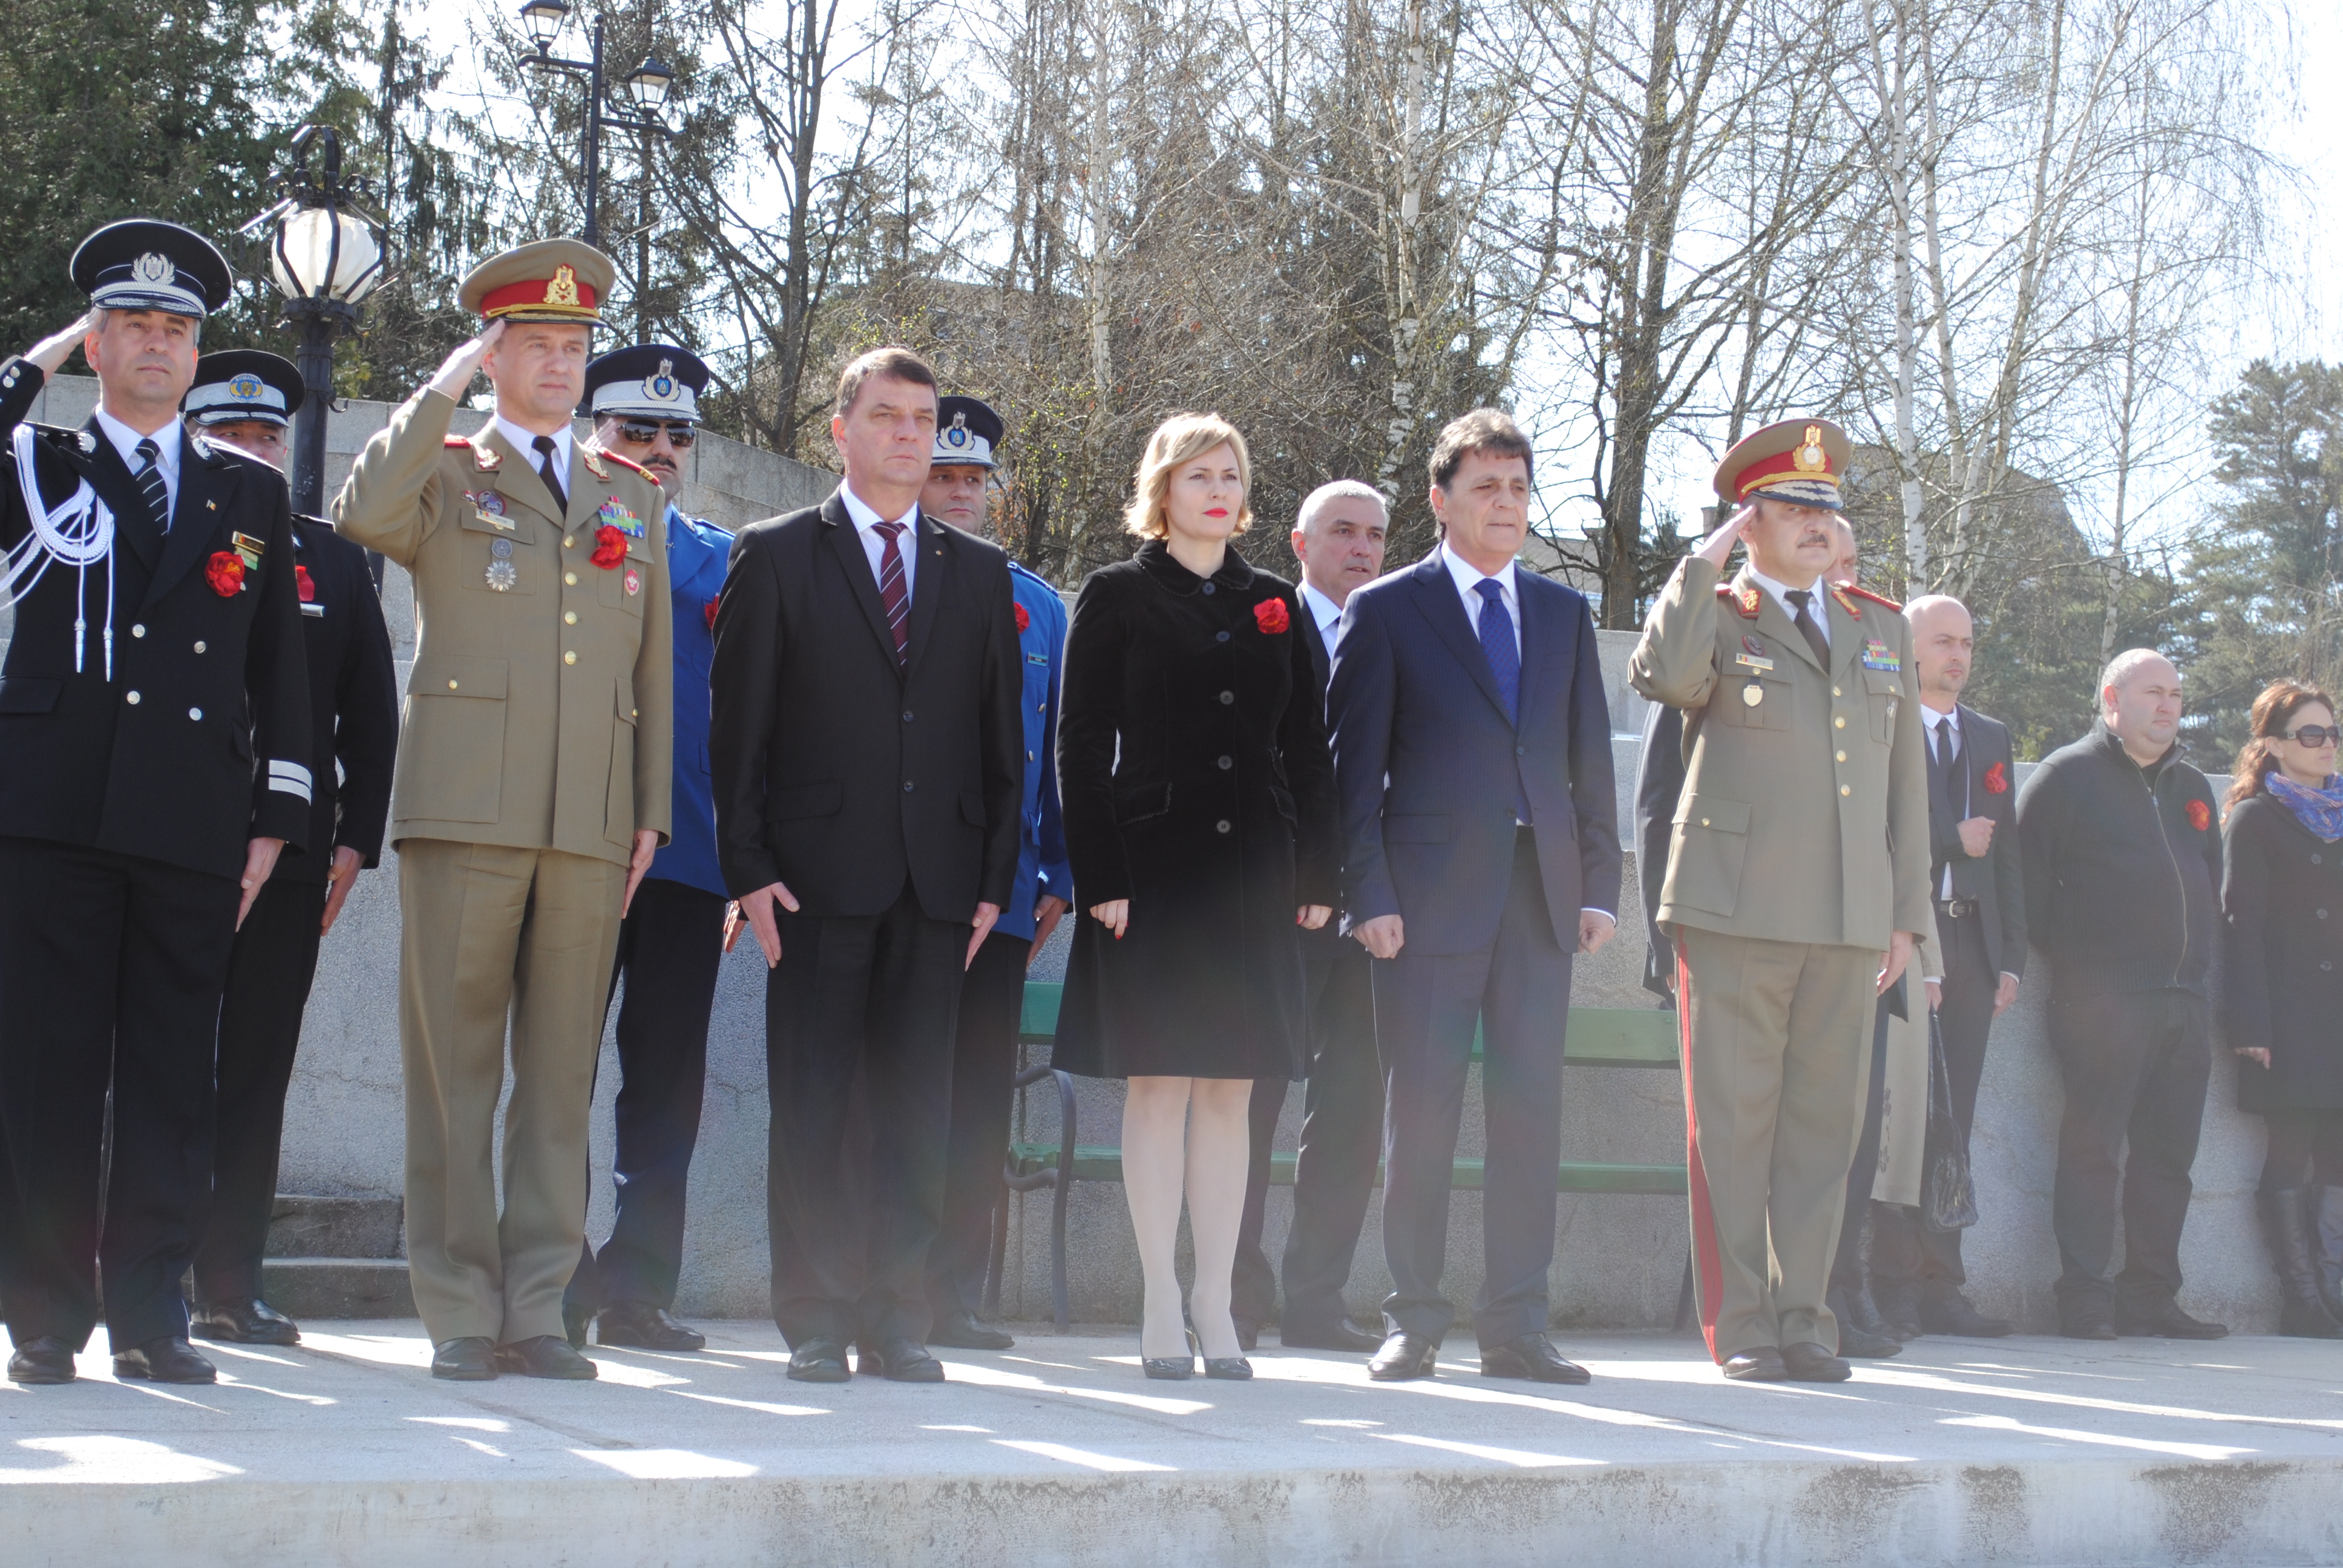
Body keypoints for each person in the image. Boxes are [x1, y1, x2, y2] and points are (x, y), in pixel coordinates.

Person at [335, 240, 675, 1382]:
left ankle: (538, 1305)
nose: (559, 364)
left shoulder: (629, 492)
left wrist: (648, 813)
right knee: (454, 1075)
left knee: (560, 1079)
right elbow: (362, 514)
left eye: (574, 347)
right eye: (535, 344)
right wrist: (436, 393)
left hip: (587, 820)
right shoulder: (446, 465)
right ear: (492, 354)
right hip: (466, 812)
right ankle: (458, 1310)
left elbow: (653, 670)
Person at [0, 221, 312, 1387]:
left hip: (189, 821)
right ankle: (43, 1313)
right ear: (97, 339)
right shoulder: (38, 463)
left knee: (176, 1076)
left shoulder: (248, 490)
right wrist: (30, 365)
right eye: (132, 324)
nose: (157, 345)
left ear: (196, 353)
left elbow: (278, 664)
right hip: (52, 811)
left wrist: (276, 814)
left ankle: (152, 1313)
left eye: (177, 329)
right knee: (48, 1073)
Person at [710, 347, 1023, 1386]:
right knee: (814, 1100)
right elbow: (737, 725)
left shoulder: (977, 573)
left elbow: (997, 737)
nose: (906, 434)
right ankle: (812, 1311)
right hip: (810, 880)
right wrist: (746, 866)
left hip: (938, 887)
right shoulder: (778, 552)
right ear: (839, 430)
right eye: (884, 415)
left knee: (912, 1108)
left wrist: (991, 876)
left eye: (921, 418)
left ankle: (898, 1314)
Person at [1628, 417, 1930, 1384]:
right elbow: (1664, 678)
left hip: (1848, 920)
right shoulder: (1718, 609)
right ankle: (1744, 1325)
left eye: (1825, 507)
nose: (1816, 522)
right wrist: (1702, 561)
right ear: (1749, 520)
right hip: (1735, 913)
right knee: (1734, 1125)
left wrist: (1906, 918)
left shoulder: (1879, 626)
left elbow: (1907, 790)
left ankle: (1808, 1317)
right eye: (1793, 508)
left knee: (1823, 1131)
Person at [1330, 408, 1619, 1385]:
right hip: (1420, 910)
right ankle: (1412, 1320)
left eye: (1518, 488)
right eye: (1487, 486)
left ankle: (1516, 1326)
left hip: (1540, 906)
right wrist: (1366, 892)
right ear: (1439, 497)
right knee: (1421, 1120)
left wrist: (1599, 885)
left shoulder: (1560, 614)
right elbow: (1351, 773)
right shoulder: (1387, 611)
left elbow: (1586, 763)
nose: (1506, 504)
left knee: (1528, 1117)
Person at [1054, 413, 1338, 1381]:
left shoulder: (1277, 603)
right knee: (1160, 1083)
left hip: (1257, 877)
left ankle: (1217, 1302)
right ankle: (1158, 1303)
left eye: (1230, 474)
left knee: (1234, 1090)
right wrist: (1102, 876)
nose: (1217, 490)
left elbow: (1307, 746)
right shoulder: (1118, 594)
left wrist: (1317, 872)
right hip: (1154, 875)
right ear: (1162, 489)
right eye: (1197, 475)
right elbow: (1081, 747)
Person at [182, 350, 399, 1348]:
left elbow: (367, 712)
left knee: (256, 1067)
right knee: (143, 1062)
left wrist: (356, 837)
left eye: (268, 436)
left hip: (297, 853)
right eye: (230, 434)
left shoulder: (331, 559)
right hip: (162, 841)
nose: (252, 451)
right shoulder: (160, 537)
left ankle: (228, 1283)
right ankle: (125, 1271)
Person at [557, 344, 730, 1354]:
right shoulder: (563, 528)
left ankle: (638, 1289)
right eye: (635, 430)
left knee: (664, 1085)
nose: (659, 450)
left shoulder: (717, 552)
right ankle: (556, 1273)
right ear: (595, 433)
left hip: (688, 860)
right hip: (575, 847)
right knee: (557, 1074)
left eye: (676, 435)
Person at [918, 394, 1072, 1351]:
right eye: (946, 476)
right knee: (886, 1089)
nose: (962, 493)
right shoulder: (883, 581)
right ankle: (871, 1280)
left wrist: (1058, 864)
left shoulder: (1041, 605)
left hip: (1005, 894)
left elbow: (1053, 747)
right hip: (897, 885)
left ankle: (953, 1292)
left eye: (975, 479)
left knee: (976, 1097)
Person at [2016, 650, 2226, 1340]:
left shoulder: (2192, 786)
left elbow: (2209, 886)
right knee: (2092, 1150)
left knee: (2168, 1160)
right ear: (2110, 698)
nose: (2167, 706)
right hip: (2100, 1004)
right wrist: (2085, 960)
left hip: (2181, 1003)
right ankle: (2082, 1294)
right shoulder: (2065, 777)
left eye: (2174, 695)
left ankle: (2149, 1295)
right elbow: (2024, 890)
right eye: (2150, 693)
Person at [1231, 479, 1391, 1354]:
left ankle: (1316, 1302)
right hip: (1273, 914)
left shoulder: (1401, 632)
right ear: (1300, 542)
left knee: (1354, 1110)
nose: (1361, 549)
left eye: (1374, 535)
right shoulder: (1259, 625)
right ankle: (1236, 1298)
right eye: (1342, 532)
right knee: (1246, 1107)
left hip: (1372, 922)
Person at [1863, 593, 2021, 1342]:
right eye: (1942, 642)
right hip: (1904, 943)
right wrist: (1951, 838)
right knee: (1901, 1119)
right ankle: (1890, 1284)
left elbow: (2009, 853)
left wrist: (2008, 957)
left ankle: (1941, 1286)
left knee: (1953, 1122)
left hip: (1971, 947)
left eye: (1966, 642)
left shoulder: (1989, 736)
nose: (1956, 656)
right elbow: (1878, 834)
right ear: (1906, 647)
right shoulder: (1882, 722)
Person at [2220, 680, 2343, 1338]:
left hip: (2339, 1015)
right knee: (2290, 1149)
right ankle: (2299, 1301)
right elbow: (2240, 925)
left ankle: (2334, 1294)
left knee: (2338, 1153)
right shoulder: (2254, 817)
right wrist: (2249, 1024)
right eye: (2310, 734)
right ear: (2270, 744)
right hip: (2287, 1017)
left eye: (2331, 733)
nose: (2326, 745)